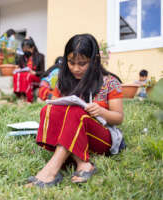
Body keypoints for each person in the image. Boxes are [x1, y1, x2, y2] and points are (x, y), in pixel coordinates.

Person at [26, 34, 124, 188]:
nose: (76, 68)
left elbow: (118, 118)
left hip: (101, 137)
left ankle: (50, 172)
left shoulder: (110, 82)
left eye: (82, 63)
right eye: (71, 63)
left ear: (94, 60)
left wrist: (100, 111)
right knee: (48, 110)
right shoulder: (63, 80)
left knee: (75, 113)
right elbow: (56, 108)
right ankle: (83, 164)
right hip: (73, 132)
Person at [13, 37, 45, 103]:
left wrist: (35, 72)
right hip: (25, 77)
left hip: (36, 78)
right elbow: (20, 68)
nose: (25, 50)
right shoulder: (21, 58)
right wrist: (17, 69)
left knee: (28, 76)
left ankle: (29, 99)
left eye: (27, 48)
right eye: (24, 49)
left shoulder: (40, 56)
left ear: (32, 48)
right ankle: (20, 96)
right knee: (17, 75)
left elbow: (43, 72)